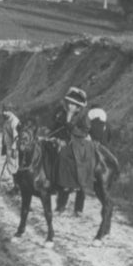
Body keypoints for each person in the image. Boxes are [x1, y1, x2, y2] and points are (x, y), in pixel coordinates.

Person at [49, 86, 96, 215]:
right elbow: (55, 126)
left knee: (65, 157)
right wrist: (53, 137)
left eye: (74, 104)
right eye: (70, 102)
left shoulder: (83, 116)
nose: (71, 105)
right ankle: (52, 184)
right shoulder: (61, 112)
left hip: (78, 143)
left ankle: (71, 206)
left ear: (79, 106)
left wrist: (70, 124)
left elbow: (84, 131)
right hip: (61, 140)